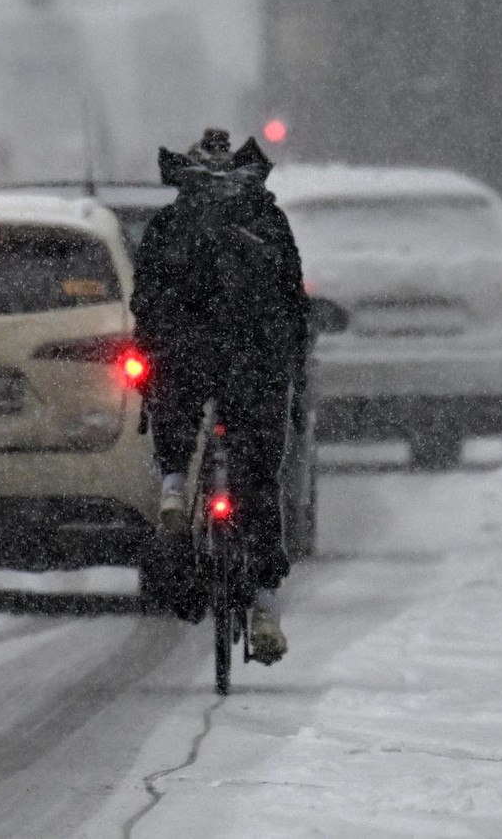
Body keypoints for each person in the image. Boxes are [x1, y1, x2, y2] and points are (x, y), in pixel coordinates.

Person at [130, 128, 310, 664]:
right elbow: (293, 303)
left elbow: (144, 301)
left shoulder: (168, 225)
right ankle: (265, 610)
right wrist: (291, 368)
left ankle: (173, 484)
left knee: (173, 403)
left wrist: (157, 348)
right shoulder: (267, 221)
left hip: (186, 358)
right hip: (255, 364)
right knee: (258, 479)